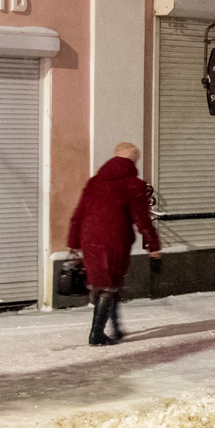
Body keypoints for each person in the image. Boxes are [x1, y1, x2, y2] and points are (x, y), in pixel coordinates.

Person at [68, 143, 161, 346]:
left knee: (107, 283)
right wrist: (153, 245)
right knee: (108, 285)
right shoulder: (134, 185)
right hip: (115, 241)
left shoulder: (94, 182)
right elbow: (142, 219)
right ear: (134, 161)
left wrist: (74, 243)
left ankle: (116, 328)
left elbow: (78, 214)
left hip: (89, 239)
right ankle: (97, 334)